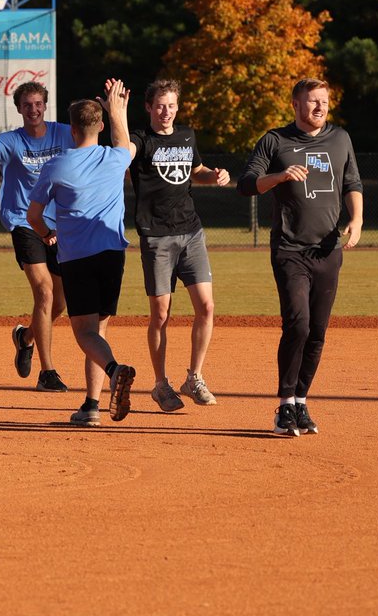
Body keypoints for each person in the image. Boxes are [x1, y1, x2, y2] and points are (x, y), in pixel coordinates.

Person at [236, 77, 363, 437]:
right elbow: (246, 184)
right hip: (290, 249)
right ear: (295, 105)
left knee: (318, 332)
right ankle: (284, 404)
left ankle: (302, 402)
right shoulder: (275, 140)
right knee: (298, 324)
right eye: (312, 101)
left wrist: (357, 220)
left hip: (328, 250)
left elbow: (352, 183)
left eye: (324, 101)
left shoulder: (340, 139)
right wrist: (278, 176)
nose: (319, 107)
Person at [27, 80, 136, 427]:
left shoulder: (56, 166)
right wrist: (118, 110)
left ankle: (116, 370)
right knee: (98, 332)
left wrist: (47, 234)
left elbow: (33, 215)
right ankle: (91, 405)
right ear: (100, 126)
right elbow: (125, 141)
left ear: (71, 130)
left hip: (77, 258)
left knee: (84, 333)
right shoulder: (116, 157)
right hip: (113, 255)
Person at [122, 79, 230, 412]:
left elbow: (194, 170)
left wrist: (213, 175)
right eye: (159, 105)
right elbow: (122, 154)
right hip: (156, 235)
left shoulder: (186, 136)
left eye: (171, 105)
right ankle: (160, 384)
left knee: (207, 307)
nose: (166, 111)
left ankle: (193, 378)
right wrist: (117, 113)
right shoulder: (140, 140)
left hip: (191, 231)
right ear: (148, 107)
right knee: (161, 314)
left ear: (177, 107)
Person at [0, 80, 72, 392]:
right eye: (27, 105)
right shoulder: (12, 141)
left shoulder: (64, 133)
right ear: (19, 109)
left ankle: (25, 338)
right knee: (45, 292)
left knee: (60, 302)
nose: (33, 109)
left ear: (45, 105)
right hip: (24, 222)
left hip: (59, 224)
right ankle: (47, 372)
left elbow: (92, 141)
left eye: (38, 104)